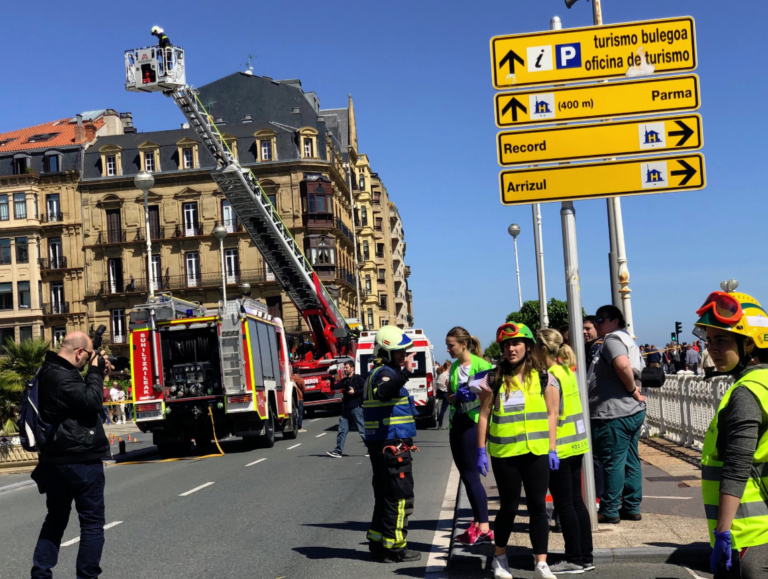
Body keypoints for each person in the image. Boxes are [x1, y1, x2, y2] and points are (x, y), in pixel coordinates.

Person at [475, 323, 559, 579]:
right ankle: (499, 558)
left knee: (537, 507)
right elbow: (484, 415)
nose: (511, 349)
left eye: (516, 343)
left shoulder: (545, 376)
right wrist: (480, 450)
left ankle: (541, 563)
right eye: (506, 345)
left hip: (536, 452)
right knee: (509, 507)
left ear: (528, 346)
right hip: (505, 454)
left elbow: (552, 412)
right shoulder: (494, 378)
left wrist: (552, 448)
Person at [695, 290, 768, 578]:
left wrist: (723, 533)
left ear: (749, 343)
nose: (711, 349)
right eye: (709, 340)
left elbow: (736, 469)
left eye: (721, 340)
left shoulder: (746, 393)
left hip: (749, 536)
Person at [30, 332, 112, 579]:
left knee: (55, 519)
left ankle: (41, 573)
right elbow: (93, 400)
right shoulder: (60, 376)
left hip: (56, 461)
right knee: (92, 524)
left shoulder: (51, 371)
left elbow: (80, 400)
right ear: (79, 352)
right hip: (79, 459)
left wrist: (96, 371)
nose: (88, 363)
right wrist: (95, 373)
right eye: (87, 358)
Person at [533, 329, 594, 574]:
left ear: (543, 349)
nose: (534, 352)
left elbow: (552, 413)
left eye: (535, 347)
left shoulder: (550, 376)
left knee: (564, 503)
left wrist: (550, 448)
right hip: (577, 443)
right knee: (576, 502)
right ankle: (585, 556)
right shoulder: (566, 371)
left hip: (561, 447)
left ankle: (574, 558)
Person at [363, 326, 421, 563]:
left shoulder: (378, 372)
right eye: (398, 351)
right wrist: (405, 373)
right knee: (399, 498)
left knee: (385, 497)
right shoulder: (384, 374)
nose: (403, 355)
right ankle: (396, 548)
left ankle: (378, 544)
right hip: (392, 446)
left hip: (384, 445)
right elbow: (385, 392)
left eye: (404, 351)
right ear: (385, 351)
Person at [589, 305, 647, 524]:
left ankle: (609, 509)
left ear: (614, 320)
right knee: (630, 460)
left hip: (615, 412)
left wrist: (632, 390)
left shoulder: (612, 340)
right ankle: (631, 506)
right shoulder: (627, 339)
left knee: (613, 461)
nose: (597, 323)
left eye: (600, 320)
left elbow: (622, 365)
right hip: (630, 411)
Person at [445, 327, 493, 545]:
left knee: (472, 475)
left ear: (463, 344)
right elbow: (449, 397)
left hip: (475, 423)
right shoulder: (455, 367)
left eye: (451, 345)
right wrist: (456, 396)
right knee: (465, 475)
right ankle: (475, 524)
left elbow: (491, 400)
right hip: (458, 422)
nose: (448, 349)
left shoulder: (482, 366)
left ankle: (484, 527)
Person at [327, 360, 365, 458]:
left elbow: (365, 389)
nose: (344, 369)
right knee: (342, 430)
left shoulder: (358, 378)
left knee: (362, 430)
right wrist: (332, 377)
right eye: (344, 367)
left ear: (352, 368)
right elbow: (333, 387)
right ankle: (338, 451)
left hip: (356, 408)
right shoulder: (344, 381)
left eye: (346, 367)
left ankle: (372, 449)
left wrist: (355, 392)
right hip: (346, 410)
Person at [435, 362, 450, 429]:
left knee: (442, 410)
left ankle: (440, 423)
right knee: (444, 410)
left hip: (440, 393)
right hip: (446, 393)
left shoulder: (441, 374)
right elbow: (448, 384)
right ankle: (440, 425)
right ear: (449, 367)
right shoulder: (447, 375)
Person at [291, 368, 306, 433]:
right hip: (299, 398)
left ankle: (294, 426)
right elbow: (304, 389)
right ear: (298, 373)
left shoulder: (290, 379)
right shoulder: (300, 380)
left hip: (292, 399)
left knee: (294, 413)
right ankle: (299, 427)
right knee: (300, 413)